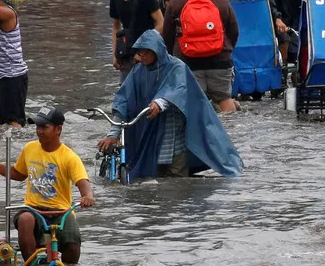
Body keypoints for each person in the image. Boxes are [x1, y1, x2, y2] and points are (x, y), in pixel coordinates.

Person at [96, 30, 244, 179]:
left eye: (147, 52)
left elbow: (177, 89)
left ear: (157, 50)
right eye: (141, 53)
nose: (143, 56)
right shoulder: (138, 72)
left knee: (177, 181)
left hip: (174, 138)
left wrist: (159, 103)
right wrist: (113, 133)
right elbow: (123, 101)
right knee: (152, 179)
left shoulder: (176, 67)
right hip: (151, 139)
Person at [0, 106, 95, 265]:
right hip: (33, 209)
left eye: (44, 127)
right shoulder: (30, 149)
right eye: (38, 127)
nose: (39, 131)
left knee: (73, 247)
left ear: (58, 129)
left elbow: (83, 182)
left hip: (61, 211)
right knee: (25, 219)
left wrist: (87, 196)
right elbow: (17, 174)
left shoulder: (69, 157)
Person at [161, 0, 240, 112]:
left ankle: (198, 133)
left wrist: (173, 57)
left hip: (187, 60)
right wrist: (226, 48)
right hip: (220, 59)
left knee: (194, 100)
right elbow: (234, 30)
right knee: (224, 98)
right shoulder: (221, 1)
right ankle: (229, 131)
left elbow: (167, 35)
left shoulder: (176, 2)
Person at [110, 0, 164, 84]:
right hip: (126, 52)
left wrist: (147, 48)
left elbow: (160, 22)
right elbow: (116, 27)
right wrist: (115, 54)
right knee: (126, 94)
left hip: (148, 53)